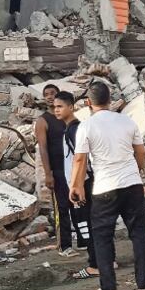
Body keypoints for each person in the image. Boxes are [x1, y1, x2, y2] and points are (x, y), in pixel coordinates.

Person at [69, 82, 145, 290]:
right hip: (131, 185)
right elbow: (140, 152)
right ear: (110, 100)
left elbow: (80, 159)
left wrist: (76, 186)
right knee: (138, 234)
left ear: (88, 102)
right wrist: (135, 170)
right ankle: (144, 282)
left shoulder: (86, 126)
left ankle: (108, 287)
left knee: (102, 237)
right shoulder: (127, 121)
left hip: (104, 188)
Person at [54, 92, 100, 280]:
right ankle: (106, 260)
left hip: (82, 186)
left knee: (85, 224)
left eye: (60, 106)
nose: (56, 110)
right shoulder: (73, 129)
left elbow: (82, 160)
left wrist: (77, 186)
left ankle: (95, 265)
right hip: (83, 184)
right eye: (55, 107)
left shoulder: (74, 130)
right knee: (92, 223)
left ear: (71, 107)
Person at [35, 84, 78, 257]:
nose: (49, 96)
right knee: (62, 208)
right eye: (46, 94)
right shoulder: (43, 121)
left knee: (78, 204)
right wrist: (48, 174)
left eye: (52, 93)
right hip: (58, 171)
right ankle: (64, 246)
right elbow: (43, 148)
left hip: (73, 169)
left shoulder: (66, 118)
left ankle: (83, 240)